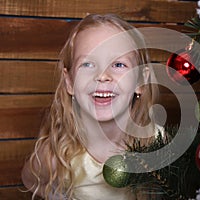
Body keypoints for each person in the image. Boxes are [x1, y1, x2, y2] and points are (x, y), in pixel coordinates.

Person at [21, 13, 162, 200]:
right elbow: (29, 179)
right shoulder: (58, 153)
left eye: (118, 64)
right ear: (69, 82)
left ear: (140, 81)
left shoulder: (157, 143)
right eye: (87, 64)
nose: (102, 76)